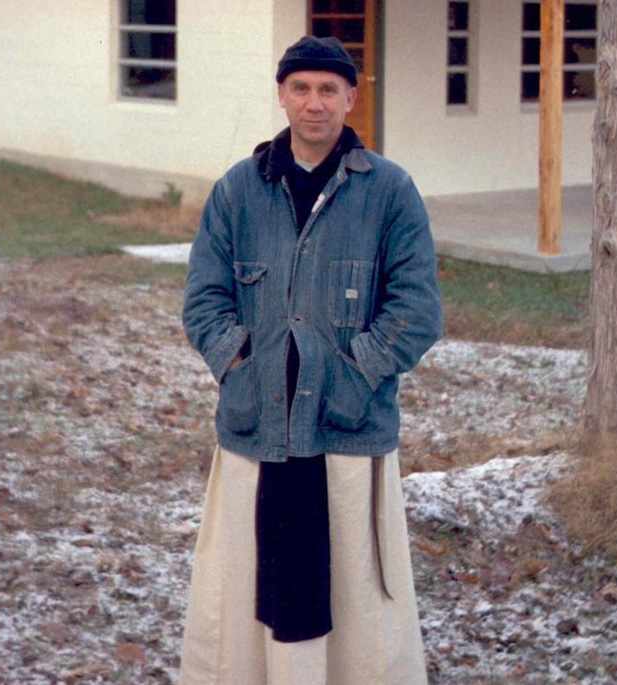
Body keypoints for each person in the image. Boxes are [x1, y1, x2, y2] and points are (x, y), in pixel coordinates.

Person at [180, 35, 442, 685]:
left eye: (329, 89)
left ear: (351, 97)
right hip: (255, 432)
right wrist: (240, 364)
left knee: (352, 600)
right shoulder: (239, 190)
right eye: (301, 88)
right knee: (247, 592)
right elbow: (204, 300)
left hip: (345, 436)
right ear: (282, 95)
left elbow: (416, 309)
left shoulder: (391, 193)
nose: (314, 103)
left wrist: (350, 379)